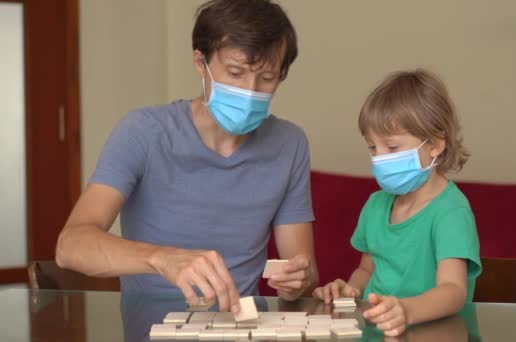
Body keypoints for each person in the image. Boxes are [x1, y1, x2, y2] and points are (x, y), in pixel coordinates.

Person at [55, 0, 319, 314]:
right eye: (235, 73)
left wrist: (296, 281)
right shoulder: (144, 132)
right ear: (200, 62)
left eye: (267, 77)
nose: (250, 91)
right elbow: (70, 246)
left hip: (244, 330)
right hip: (153, 331)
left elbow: (304, 274)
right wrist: (162, 258)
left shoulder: (289, 144)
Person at [313, 70, 481, 336]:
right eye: (372, 148)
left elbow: (453, 290)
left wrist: (406, 310)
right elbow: (367, 268)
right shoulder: (375, 205)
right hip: (378, 332)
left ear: (436, 144)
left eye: (391, 148)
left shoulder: (451, 212)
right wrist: (349, 291)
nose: (379, 158)